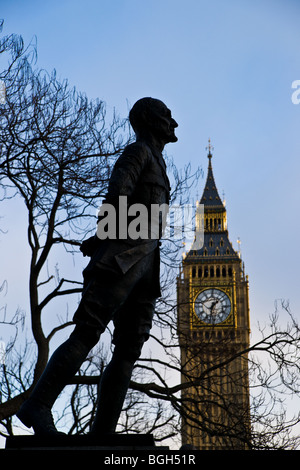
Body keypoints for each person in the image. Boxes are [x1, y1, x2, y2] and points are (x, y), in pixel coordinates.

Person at [17, 97, 178, 436]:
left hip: (147, 264)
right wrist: (104, 239)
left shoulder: (160, 163)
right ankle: (38, 405)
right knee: (89, 330)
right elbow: (117, 193)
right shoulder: (139, 154)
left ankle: (102, 432)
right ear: (150, 120)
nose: (173, 123)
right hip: (121, 257)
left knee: (129, 349)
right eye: (167, 116)